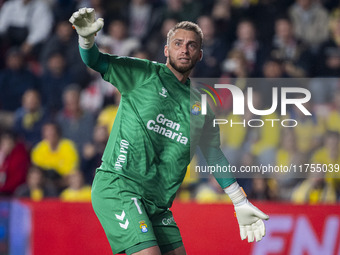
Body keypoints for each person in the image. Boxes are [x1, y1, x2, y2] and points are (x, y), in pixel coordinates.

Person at [70, 8, 269, 255]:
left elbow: (213, 155)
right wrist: (87, 40)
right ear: (166, 50)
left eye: (191, 46)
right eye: (178, 43)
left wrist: (239, 200)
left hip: (158, 205)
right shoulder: (142, 73)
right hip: (120, 186)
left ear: (200, 55)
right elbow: (95, 60)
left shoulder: (201, 107)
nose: (184, 50)